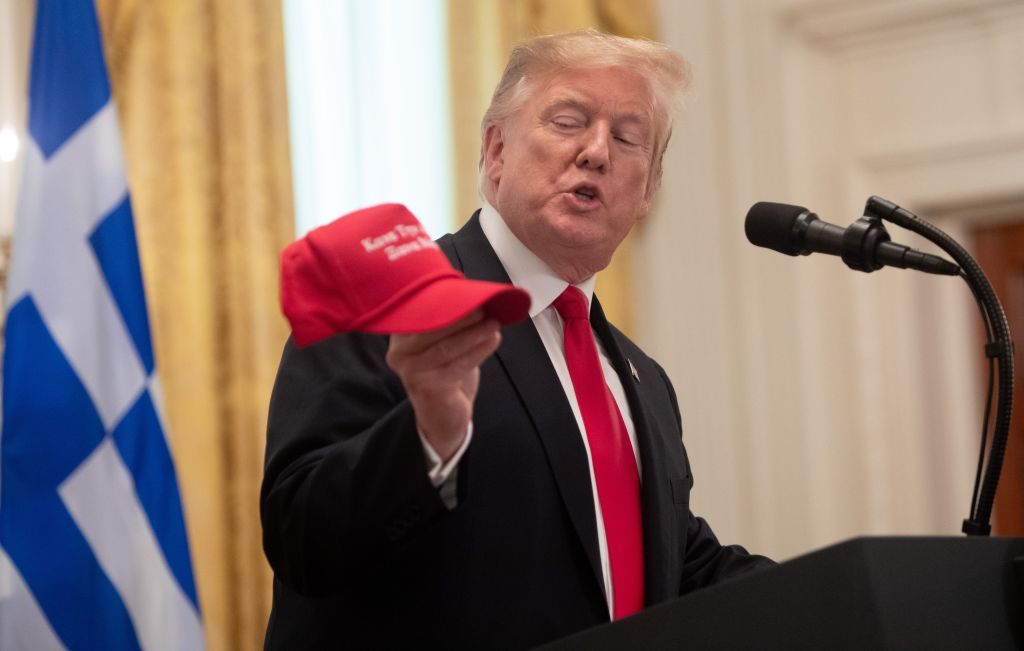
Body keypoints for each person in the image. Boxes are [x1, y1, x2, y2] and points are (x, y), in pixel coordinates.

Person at [260, 29, 774, 650]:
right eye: (568, 121)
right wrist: (427, 436)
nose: (596, 153)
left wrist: (830, 595)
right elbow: (301, 541)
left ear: (647, 193)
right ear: (496, 148)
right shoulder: (388, 302)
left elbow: (656, 565)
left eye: (627, 138)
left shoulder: (644, 379)